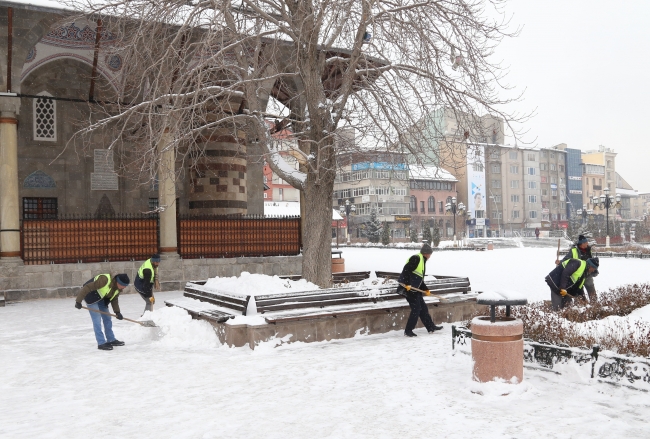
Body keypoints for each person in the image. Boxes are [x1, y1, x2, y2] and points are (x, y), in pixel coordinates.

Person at [396, 242, 443, 337]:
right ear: (426, 253)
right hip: (408, 289)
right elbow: (406, 270)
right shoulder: (416, 258)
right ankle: (408, 331)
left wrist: (425, 289)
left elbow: (418, 278)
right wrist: (407, 284)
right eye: (430, 254)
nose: (430, 256)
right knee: (416, 309)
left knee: (423, 308)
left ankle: (431, 327)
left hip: (415, 289)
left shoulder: (422, 260)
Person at [74, 273, 131, 350]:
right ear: (118, 282)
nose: (125, 287)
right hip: (90, 296)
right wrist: (78, 301)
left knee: (107, 318)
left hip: (101, 299)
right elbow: (87, 287)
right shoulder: (104, 280)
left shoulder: (118, 289)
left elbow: (114, 300)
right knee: (97, 320)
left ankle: (111, 339)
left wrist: (117, 312)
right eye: (124, 285)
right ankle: (101, 343)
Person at [556, 234, 598, 301]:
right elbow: (566, 259)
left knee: (591, 290)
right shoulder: (574, 251)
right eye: (586, 242)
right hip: (578, 275)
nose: (587, 243)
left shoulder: (588, 250)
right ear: (582, 243)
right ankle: (581, 305)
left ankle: (595, 305)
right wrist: (560, 262)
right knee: (578, 292)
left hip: (587, 274)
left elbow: (591, 261)